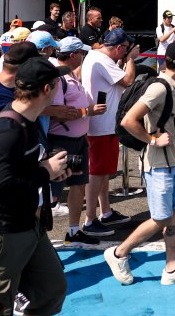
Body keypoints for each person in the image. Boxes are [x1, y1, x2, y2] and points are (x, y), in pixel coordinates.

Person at [0, 57, 69, 316]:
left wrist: (48, 171)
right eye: (58, 82)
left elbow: (17, 171)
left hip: (26, 225)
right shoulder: (7, 129)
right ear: (47, 89)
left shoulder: (26, 121)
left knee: (49, 290)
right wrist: (45, 171)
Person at [105, 40, 175, 287]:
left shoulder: (171, 85)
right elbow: (129, 120)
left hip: (173, 162)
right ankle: (119, 253)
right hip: (158, 164)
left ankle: (172, 267)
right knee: (161, 218)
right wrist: (153, 139)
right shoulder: (160, 88)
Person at [81, 29, 139, 236]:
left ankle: (105, 212)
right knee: (97, 172)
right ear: (118, 48)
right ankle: (89, 220)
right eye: (125, 49)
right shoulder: (103, 60)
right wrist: (130, 59)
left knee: (103, 171)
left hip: (103, 123)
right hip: (101, 125)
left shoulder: (97, 57)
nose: (126, 52)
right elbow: (128, 80)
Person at [47, 37, 102, 245]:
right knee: (52, 193)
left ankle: (73, 231)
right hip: (61, 143)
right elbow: (58, 113)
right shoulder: (59, 78)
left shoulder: (70, 75)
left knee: (78, 185)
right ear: (73, 55)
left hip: (77, 141)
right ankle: (37, 237)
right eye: (81, 52)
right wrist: (87, 111)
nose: (83, 56)